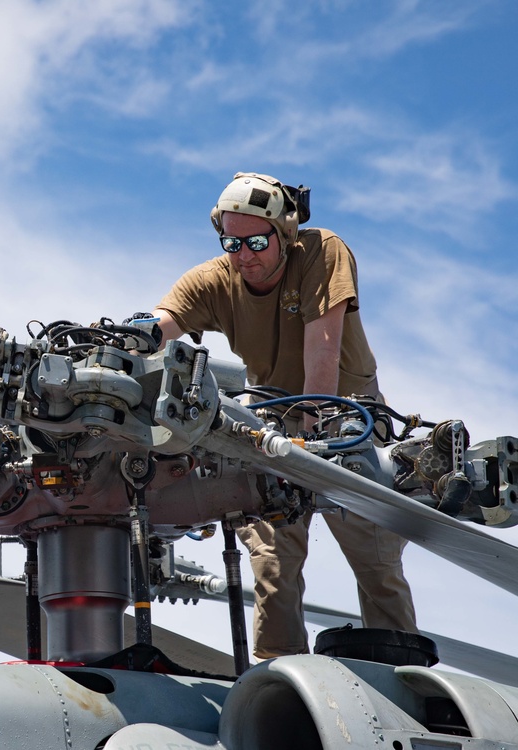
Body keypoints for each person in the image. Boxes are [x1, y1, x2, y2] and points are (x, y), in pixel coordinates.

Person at [146, 172, 416, 659]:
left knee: (375, 561)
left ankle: (400, 674)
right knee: (272, 563)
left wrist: (312, 442)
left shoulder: (321, 252)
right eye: (231, 241)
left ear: (284, 233)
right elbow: (158, 328)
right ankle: (279, 677)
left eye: (255, 241)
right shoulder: (215, 280)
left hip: (346, 421)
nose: (243, 254)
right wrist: (119, 343)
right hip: (271, 424)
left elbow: (323, 353)